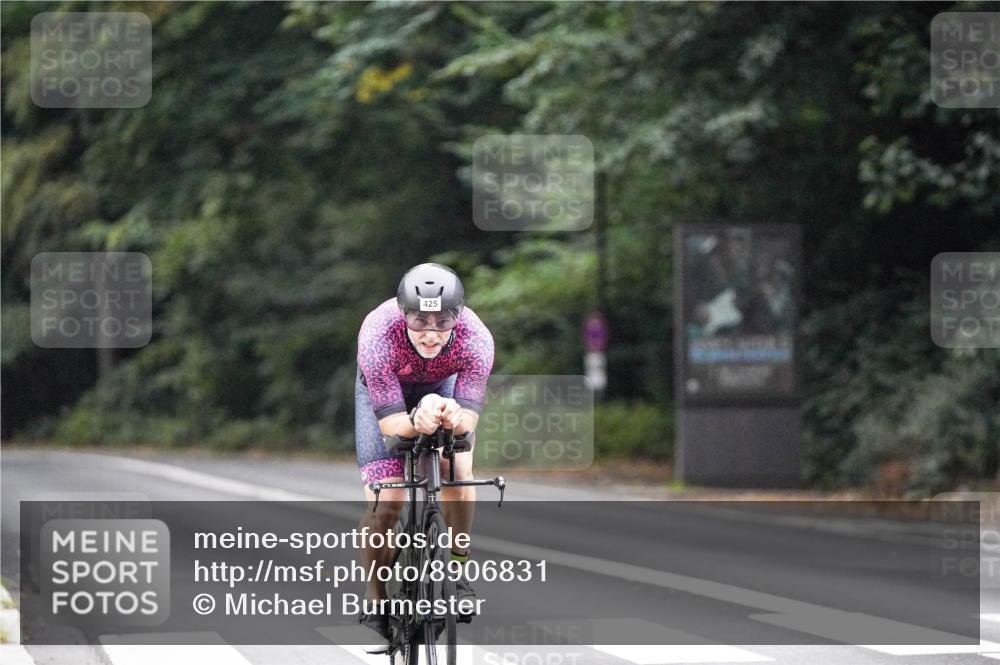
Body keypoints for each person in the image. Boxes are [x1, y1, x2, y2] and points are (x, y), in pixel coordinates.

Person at [355, 262, 494, 648]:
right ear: (403, 314)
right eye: (419, 322)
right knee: (388, 502)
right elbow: (392, 426)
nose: (431, 334)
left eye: (442, 322)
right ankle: (377, 595)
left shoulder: (475, 339)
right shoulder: (378, 334)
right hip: (385, 399)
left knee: (459, 469)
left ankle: (459, 566)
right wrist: (419, 418)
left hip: (443, 387)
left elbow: (467, 421)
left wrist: (453, 417)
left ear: (458, 316)